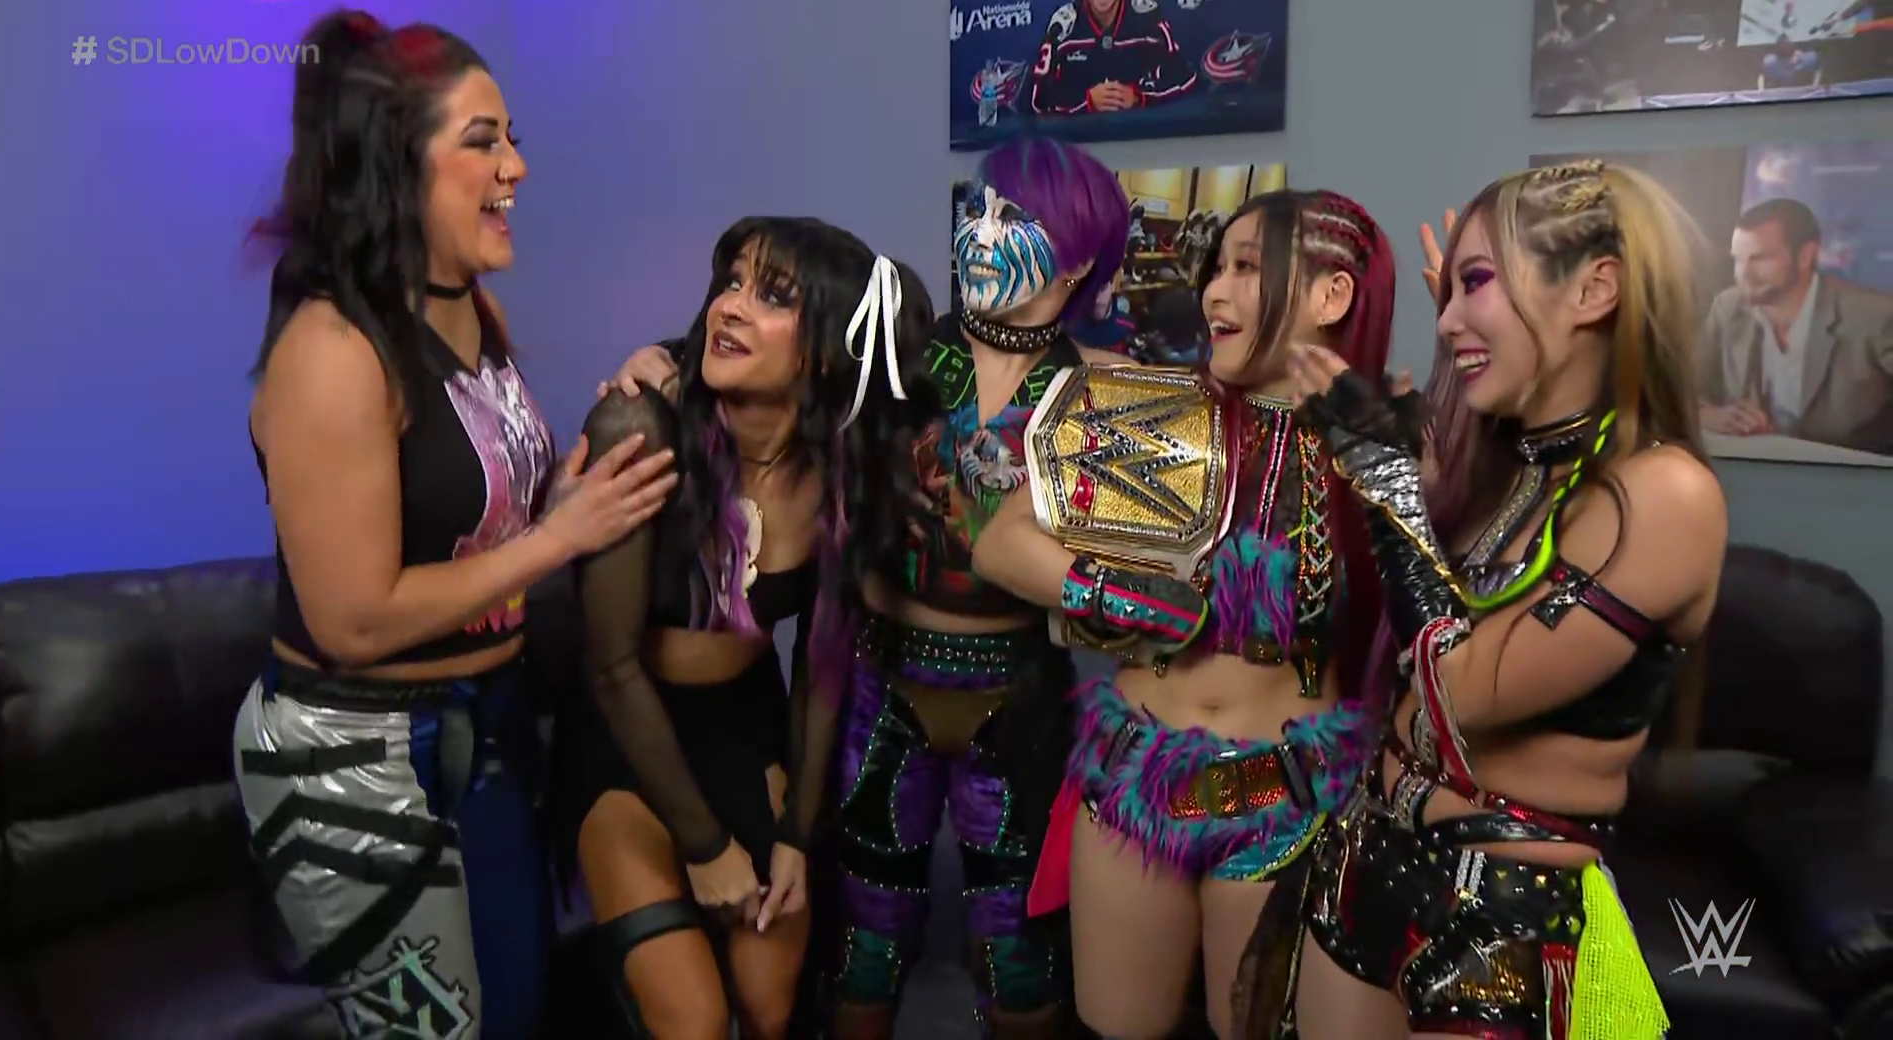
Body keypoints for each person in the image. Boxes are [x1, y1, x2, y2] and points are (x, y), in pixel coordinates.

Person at [608, 137, 1133, 1039]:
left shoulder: (1108, 391)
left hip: (1018, 693)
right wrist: (659, 359)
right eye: (978, 207)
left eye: (1015, 217)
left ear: (1078, 258)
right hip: (882, 681)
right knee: (866, 942)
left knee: (1018, 955)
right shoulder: (900, 354)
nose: (983, 231)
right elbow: (770, 347)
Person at [232, 9, 677, 1039]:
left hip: (490, 722)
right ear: (397, 164)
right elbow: (353, 619)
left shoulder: (477, 311)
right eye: (483, 142)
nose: (516, 167)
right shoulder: (333, 351)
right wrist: (557, 542)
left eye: (512, 137)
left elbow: (475, 522)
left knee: (516, 1009)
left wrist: (569, 496)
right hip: (356, 753)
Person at [1289, 159, 1727, 1040]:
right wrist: (1470, 363)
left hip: (1503, 919)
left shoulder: (1664, 495)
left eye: (1478, 281)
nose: (1446, 318)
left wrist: (1385, 486)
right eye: (1448, 292)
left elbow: (1459, 692)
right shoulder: (1514, 470)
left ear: (1595, 289)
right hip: (1367, 862)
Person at [973, 189, 1397, 1040]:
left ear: (1332, 295)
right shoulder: (1158, 411)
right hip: (1132, 780)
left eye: (1247, 268)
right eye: (1216, 268)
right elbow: (1001, 543)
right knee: (1116, 1028)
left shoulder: (1378, 451)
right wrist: (1101, 590)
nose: (1214, 293)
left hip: (1286, 796)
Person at [552, 216, 941, 1040]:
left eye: (773, 295)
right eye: (731, 281)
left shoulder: (841, 471)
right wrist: (704, 847)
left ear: (829, 349)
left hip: (741, 728)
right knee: (694, 1020)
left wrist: (797, 835)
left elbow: (821, 669)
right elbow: (611, 666)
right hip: (624, 736)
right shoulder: (641, 429)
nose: (730, 305)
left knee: (771, 1005)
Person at [1695, 197, 1893, 454]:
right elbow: (1678, 392)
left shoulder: (1876, 318)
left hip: (1855, 472)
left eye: (1760, 259)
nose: (1743, 275)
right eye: (1738, 260)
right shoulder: (1728, 308)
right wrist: (1709, 416)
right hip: (1754, 467)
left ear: (1805, 256)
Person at [1031, 0, 1198, 116]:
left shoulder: (1148, 19)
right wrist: (1087, 100)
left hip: (1137, 132)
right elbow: (1038, 98)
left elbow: (1185, 78)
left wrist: (1138, 96)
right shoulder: (1063, 28)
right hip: (1079, 135)